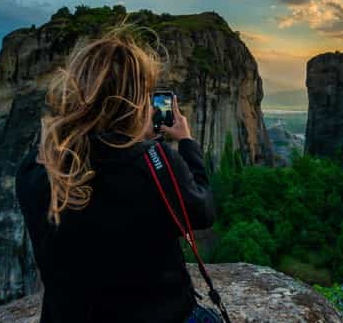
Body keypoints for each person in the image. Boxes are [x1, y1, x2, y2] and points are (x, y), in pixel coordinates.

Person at [15, 25, 215, 322]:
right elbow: (202, 211)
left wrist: (128, 137)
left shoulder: (37, 166)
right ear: (136, 102)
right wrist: (185, 143)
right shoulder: (154, 162)